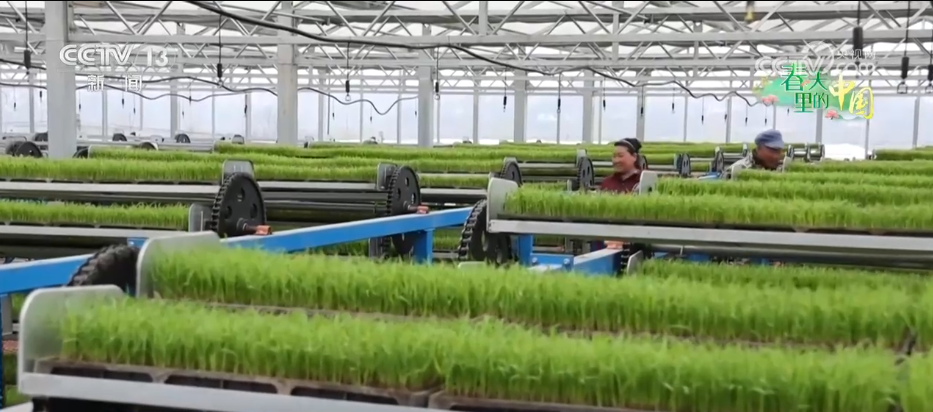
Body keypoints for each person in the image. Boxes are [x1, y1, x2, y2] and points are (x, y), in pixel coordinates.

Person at [599, 138, 643, 249]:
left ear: (634, 157)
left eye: (620, 156)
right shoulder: (607, 183)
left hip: (636, 243)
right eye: (614, 156)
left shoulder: (644, 182)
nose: (616, 160)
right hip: (606, 243)